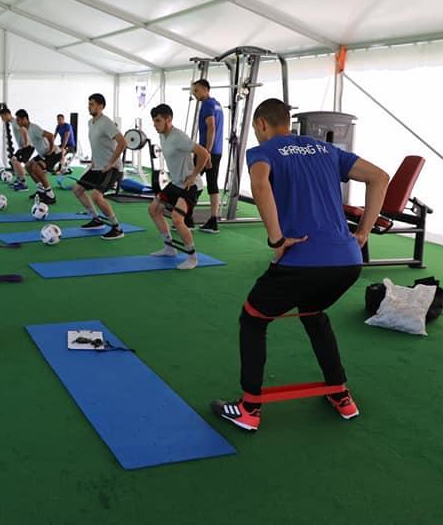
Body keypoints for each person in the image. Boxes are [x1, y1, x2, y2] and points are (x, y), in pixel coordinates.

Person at [211, 98, 389, 431]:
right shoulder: (326, 149)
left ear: (262, 124)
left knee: (252, 319)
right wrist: (364, 231)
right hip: (348, 262)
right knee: (313, 313)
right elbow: (380, 177)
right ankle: (340, 393)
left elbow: (259, 184)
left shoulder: (262, 151)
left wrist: (276, 240)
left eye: (256, 128)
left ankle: (249, 408)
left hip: (302, 261)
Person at [146, 103, 209, 270]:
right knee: (153, 209)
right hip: (175, 183)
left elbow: (204, 153)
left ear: (169, 119)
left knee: (177, 219)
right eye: (154, 121)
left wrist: (193, 175)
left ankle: (192, 257)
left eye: (158, 121)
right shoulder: (162, 136)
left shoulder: (178, 137)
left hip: (190, 186)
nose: (155, 125)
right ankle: (170, 248)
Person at [73, 93, 126, 240]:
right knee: (77, 190)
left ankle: (117, 228)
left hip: (112, 168)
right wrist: (93, 161)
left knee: (96, 196)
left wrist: (111, 163)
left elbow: (122, 142)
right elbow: (97, 145)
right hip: (97, 167)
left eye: (92, 104)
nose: (89, 107)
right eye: (89, 104)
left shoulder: (106, 123)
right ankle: (96, 219)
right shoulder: (91, 123)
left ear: (101, 106)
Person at [192, 79, 224, 233]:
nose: (194, 94)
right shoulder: (217, 104)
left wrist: (207, 152)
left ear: (205, 89)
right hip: (217, 151)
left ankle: (186, 218)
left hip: (206, 151)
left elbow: (211, 127)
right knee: (212, 184)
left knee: (190, 180)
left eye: (196, 90)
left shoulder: (207, 105)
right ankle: (213, 220)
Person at [13, 109, 60, 205]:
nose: (17, 122)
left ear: (25, 119)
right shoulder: (27, 129)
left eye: (18, 120)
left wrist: (51, 150)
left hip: (54, 154)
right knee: (28, 166)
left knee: (36, 167)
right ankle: (41, 191)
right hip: (43, 154)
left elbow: (50, 136)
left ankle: (51, 195)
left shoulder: (34, 128)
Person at [0, 107, 28, 191]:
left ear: (7, 114)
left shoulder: (15, 122)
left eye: (2, 117)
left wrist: (26, 143)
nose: (2, 119)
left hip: (28, 146)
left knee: (16, 161)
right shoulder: (13, 122)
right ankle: (19, 180)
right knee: (13, 160)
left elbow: (24, 130)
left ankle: (23, 184)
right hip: (24, 146)